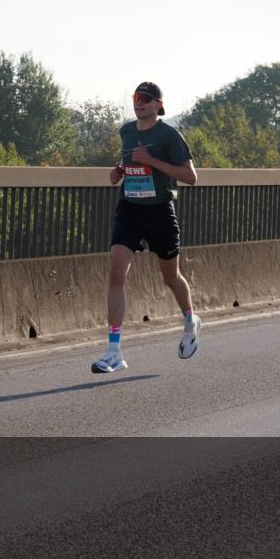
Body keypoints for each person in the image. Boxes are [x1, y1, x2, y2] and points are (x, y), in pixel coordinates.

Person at [93, 81, 202, 373]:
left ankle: (190, 320)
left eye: (144, 99)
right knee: (116, 273)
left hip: (159, 212)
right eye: (135, 98)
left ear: (158, 104)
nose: (138, 103)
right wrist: (120, 171)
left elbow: (191, 177)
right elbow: (129, 159)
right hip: (129, 209)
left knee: (170, 277)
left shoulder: (169, 135)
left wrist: (152, 161)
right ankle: (114, 350)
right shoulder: (126, 131)